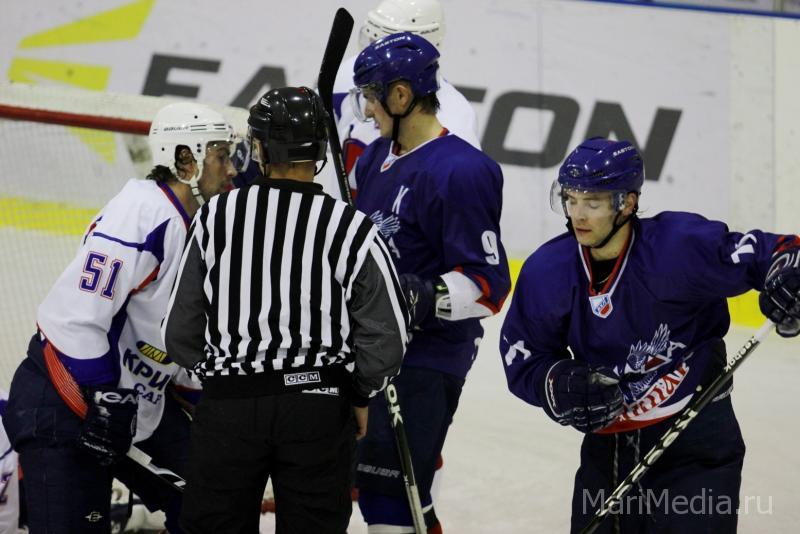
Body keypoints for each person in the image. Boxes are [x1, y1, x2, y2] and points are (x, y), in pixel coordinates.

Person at [499, 136, 800, 533]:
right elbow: (524, 356)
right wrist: (556, 382)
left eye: (593, 202)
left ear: (627, 203)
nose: (578, 214)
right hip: (607, 448)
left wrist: (788, 275)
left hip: (695, 439)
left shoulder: (679, 248)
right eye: (570, 199)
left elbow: (776, 252)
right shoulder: (548, 271)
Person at [162, 86, 409, 534]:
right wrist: (356, 393)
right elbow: (388, 339)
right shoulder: (351, 227)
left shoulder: (215, 216)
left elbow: (178, 331)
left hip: (229, 409)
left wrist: (225, 378)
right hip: (318, 408)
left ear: (258, 148)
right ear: (319, 150)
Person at [2, 102, 237, 533]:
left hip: (133, 407)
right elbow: (76, 318)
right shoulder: (143, 213)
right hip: (64, 403)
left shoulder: (193, 224)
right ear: (186, 159)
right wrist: (105, 400)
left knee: (216, 508)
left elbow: (168, 335)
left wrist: (215, 403)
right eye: (221, 156)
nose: (232, 169)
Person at [349, 32, 511, 533]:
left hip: (426, 357)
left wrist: (418, 296)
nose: (366, 109)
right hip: (371, 347)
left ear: (401, 96)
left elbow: (488, 284)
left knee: (391, 504)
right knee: (374, 492)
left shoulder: (462, 170)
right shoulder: (375, 158)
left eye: (372, 96)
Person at [321, 0, 479, 200]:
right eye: (372, 41)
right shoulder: (353, 74)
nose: (371, 56)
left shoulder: (457, 121)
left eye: (384, 43)